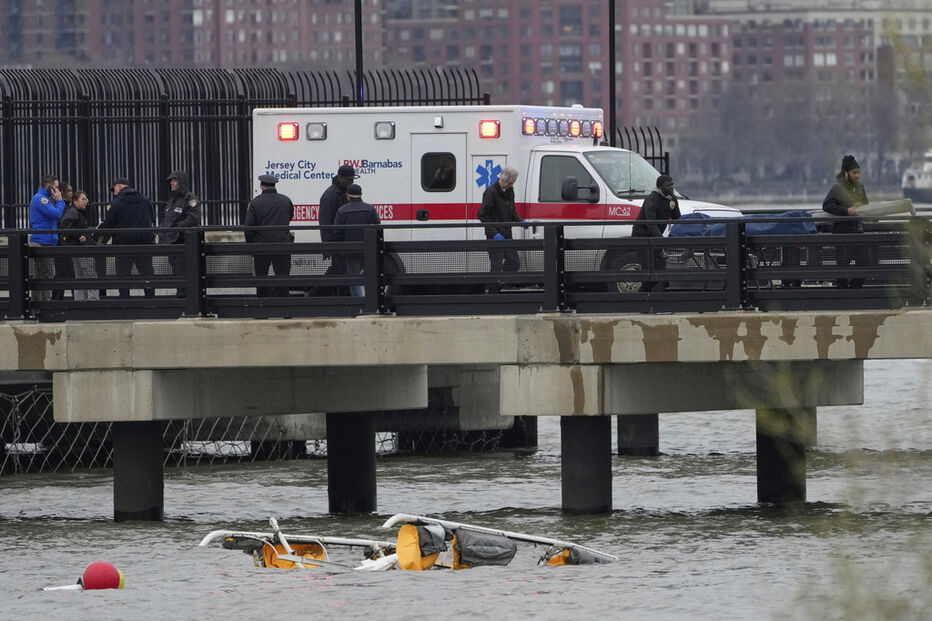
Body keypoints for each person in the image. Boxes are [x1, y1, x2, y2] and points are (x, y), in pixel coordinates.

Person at [98, 178, 156, 299]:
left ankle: (124, 302)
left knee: (123, 275)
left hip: (123, 246)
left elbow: (108, 224)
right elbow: (152, 218)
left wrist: (98, 238)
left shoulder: (116, 203)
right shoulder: (145, 200)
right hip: (145, 244)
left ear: (119, 187)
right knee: (147, 274)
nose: (114, 193)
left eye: (114, 190)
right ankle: (151, 302)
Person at [244, 174, 294, 298]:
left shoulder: (255, 203)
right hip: (283, 245)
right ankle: (284, 310)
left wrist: (251, 246)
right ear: (274, 185)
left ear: (262, 186)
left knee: (261, 278)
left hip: (261, 247)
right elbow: (289, 217)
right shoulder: (286, 200)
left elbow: (248, 228)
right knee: (282, 278)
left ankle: (262, 308)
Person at [823, 154, 868, 288]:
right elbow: (827, 205)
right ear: (845, 173)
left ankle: (854, 289)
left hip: (858, 231)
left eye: (858, 172)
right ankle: (842, 291)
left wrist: (862, 205)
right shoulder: (837, 188)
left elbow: (866, 202)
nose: (857, 175)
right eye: (854, 172)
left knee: (864, 264)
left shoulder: (860, 186)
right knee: (842, 267)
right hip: (842, 232)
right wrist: (847, 211)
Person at [478, 166, 524, 294]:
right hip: (495, 236)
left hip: (506, 233)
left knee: (514, 262)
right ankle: (493, 293)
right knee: (496, 265)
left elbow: (512, 209)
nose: (512, 185)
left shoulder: (510, 191)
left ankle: (501, 284)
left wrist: (520, 221)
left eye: (513, 182)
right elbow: (483, 215)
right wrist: (494, 233)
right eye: (510, 182)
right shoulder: (490, 192)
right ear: (503, 180)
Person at [632, 174, 681, 292]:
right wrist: (661, 240)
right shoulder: (652, 199)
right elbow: (651, 223)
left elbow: (677, 218)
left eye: (672, 184)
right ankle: (644, 294)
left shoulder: (672, 198)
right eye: (668, 185)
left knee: (660, 267)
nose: (671, 187)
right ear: (660, 186)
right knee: (647, 268)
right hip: (642, 236)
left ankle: (653, 294)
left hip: (656, 237)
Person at [317, 164, 358, 294]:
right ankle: (315, 292)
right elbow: (325, 223)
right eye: (349, 179)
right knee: (340, 272)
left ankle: (316, 292)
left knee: (340, 271)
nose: (351, 182)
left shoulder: (342, 192)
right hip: (337, 242)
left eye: (352, 179)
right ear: (340, 177)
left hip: (343, 242)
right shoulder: (330, 196)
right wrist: (329, 246)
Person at [334, 183, 380, 297]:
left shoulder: (342, 210)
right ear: (361, 194)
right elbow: (378, 227)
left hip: (350, 250)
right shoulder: (370, 209)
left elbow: (337, 232)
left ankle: (359, 302)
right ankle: (371, 302)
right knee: (370, 276)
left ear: (347, 195)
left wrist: (342, 246)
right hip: (368, 249)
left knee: (354, 277)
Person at [160, 171, 201, 298]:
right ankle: (182, 297)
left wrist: (176, 229)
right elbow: (164, 219)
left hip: (183, 243)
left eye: (174, 180)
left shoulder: (190, 198)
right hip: (170, 243)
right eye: (170, 181)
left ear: (181, 182)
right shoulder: (172, 200)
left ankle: (184, 299)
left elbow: (193, 218)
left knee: (183, 274)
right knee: (177, 274)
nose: (171, 183)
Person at [28, 174, 67, 302]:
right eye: (56, 187)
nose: (58, 190)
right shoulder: (41, 199)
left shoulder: (46, 199)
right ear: (49, 187)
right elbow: (55, 213)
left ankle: (38, 305)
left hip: (46, 240)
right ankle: (44, 305)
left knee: (41, 276)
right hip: (42, 241)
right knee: (46, 276)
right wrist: (60, 200)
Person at [58, 190, 99, 301]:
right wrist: (79, 235)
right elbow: (65, 228)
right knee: (89, 274)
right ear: (75, 201)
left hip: (76, 248)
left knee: (80, 275)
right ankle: (92, 299)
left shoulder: (75, 212)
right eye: (83, 199)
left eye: (86, 199)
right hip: (82, 249)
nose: (85, 202)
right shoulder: (73, 213)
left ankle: (80, 300)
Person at [51, 182, 75, 300]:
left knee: (63, 273)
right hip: (64, 243)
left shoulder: (63, 206)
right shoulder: (65, 207)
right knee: (65, 272)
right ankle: (59, 298)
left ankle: (57, 298)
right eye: (69, 191)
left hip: (61, 243)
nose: (71, 193)